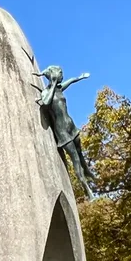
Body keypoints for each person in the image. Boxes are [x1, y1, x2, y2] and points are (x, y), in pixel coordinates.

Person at [36, 66, 98, 198]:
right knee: (75, 159)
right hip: (62, 132)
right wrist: (52, 85)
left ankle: (87, 171)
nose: (62, 76)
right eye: (60, 73)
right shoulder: (46, 93)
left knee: (80, 153)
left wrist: (80, 78)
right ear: (53, 75)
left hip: (71, 126)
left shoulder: (59, 88)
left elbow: (70, 81)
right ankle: (87, 189)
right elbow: (46, 102)